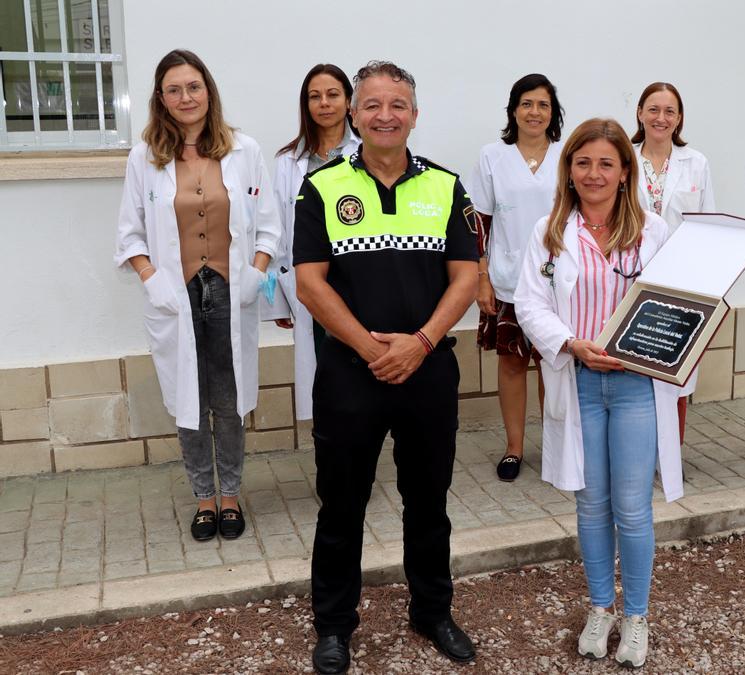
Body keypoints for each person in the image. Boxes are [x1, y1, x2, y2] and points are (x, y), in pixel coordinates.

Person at [293, 61, 478, 673]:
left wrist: (420, 343)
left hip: (428, 371)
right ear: (354, 115)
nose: (385, 115)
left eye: (397, 104)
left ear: (415, 115)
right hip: (351, 376)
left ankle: (431, 611)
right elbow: (310, 285)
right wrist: (374, 351)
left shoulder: (447, 187)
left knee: (429, 502)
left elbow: (467, 276)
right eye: (371, 104)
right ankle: (334, 626)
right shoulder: (320, 188)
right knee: (340, 506)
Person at [514, 118, 683, 670]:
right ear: (570, 170)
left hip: (636, 385)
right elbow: (529, 304)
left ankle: (636, 617)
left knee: (632, 508)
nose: (594, 173)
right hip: (580, 379)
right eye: (583, 162)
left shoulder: (652, 231)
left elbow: (676, 302)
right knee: (591, 505)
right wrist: (572, 344)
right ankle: (600, 608)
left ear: (624, 170)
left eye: (606, 163)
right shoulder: (549, 230)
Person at [114, 49, 280, 543]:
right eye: (174, 89)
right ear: (161, 99)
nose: (186, 97)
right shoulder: (145, 158)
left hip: (231, 290)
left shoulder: (244, 150)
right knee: (189, 401)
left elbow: (269, 227)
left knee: (227, 401)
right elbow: (130, 235)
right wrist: (152, 281)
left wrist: (255, 273)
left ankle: (231, 495)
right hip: (177, 293)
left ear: (208, 91)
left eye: (193, 87)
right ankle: (203, 499)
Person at [466, 73, 564, 482]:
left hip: (559, 281)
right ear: (513, 109)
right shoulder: (493, 156)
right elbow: (478, 224)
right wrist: (481, 278)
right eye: (526, 103)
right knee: (511, 363)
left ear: (552, 112)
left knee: (553, 366)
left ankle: (558, 447)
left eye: (543, 104)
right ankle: (514, 448)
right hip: (506, 279)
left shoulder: (567, 154)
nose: (534, 112)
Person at [270, 64, 360, 422]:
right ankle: (330, 458)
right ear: (305, 105)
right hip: (309, 282)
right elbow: (277, 230)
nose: (324, 103)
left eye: (333, 94)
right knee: (320, 377)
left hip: (354, 279)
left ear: (349, 102)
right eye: (315, 96)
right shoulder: (288, 162)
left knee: (356, 374)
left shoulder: (366, 152)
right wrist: (278, 301)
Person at [629, 81, 715, 439]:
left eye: (669, 111)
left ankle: (670, 456)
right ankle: (636, 448)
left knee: (674, 370)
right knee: (634, 367)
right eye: (653, 109)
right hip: (630, 277)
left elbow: (708, 225)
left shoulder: (696, 163)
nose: (661, 118)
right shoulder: (623, 157)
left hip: (682, 281)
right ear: (640, 113)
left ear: (679, 118)